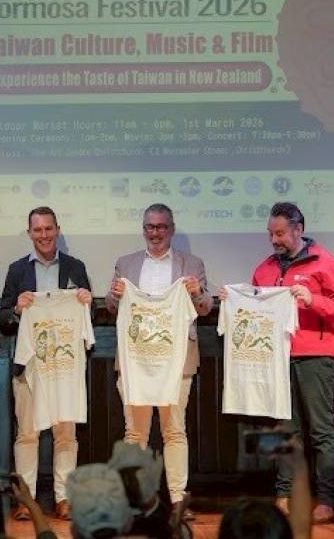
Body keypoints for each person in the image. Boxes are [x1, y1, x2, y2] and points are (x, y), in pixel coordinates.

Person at [218, 202, 334, 523]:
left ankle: (327, 499)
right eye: (270, 233)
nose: (274, 239)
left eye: (279, 233)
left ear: (298, 229)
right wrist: (233, 299)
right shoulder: (263, 269)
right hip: (274, 358)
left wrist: (312, 299)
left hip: (315, 355)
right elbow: (254, 309)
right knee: (286, 431)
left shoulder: (326, 263)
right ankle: (285, 494)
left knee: (321, 430)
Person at [105, 204, 212, 517]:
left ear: (171, 229)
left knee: (174, 431)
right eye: (150, 227)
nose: (155, 233)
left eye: (161, 226)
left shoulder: (192, 263)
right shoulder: (125, 263)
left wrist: (196, 292)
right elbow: (112, 307)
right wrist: (114, 295)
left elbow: (205, 307)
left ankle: (178, 499)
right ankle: (134, 499)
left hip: (177, 362)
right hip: (135, 361)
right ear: (143, 229)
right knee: (134, 434)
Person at [0, 206, 92, 521]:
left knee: (66, 433)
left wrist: (86, 302)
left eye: (49, 229)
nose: (44, 235)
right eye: (37, 230)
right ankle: (26, 500)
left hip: (64, 366)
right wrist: (16, 308)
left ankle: (64, 499)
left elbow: (88, 315)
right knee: (27, 433)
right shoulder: (16, 270)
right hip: (29, 366)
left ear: (57, 229)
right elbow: (2, 315)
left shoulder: (76, 267)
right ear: (29, 233)